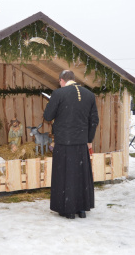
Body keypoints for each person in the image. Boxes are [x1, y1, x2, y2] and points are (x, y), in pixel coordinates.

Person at [43, 70, 99, 219]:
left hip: (63, 142)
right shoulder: (89, 94)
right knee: (80, 175)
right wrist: (88, 140)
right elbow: (94, 120)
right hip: (81, 142)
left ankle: (67, 209)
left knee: (65, 175)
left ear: (62, 80)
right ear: (74, 79)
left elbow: (47, 116)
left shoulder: (58, 94)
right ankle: (81, 209)